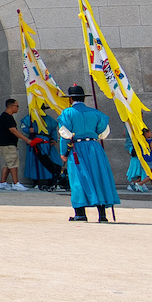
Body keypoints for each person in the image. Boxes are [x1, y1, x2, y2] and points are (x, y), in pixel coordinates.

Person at [57, 85, 119, 222]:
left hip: (77, 148)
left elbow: (64, 134)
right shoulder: (96, 113)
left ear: (71, 99)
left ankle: (80, 213)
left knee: (77, 179)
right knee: (99, 177)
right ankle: (102, 215)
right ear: (84, 98)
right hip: (94, 148)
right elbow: (103, 133)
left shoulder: (67, 113)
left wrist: (63, 153)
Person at [0, 99, 25, 189]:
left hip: (5, 144)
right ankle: (16, 183)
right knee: (13, 164)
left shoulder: (7, 117)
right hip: (8, 145)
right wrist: (26, 139)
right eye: (16, 106)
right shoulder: (7, 117)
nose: (17, 108)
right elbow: (13, 130)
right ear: (10, 106)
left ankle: (3, 182)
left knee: (7, 164)